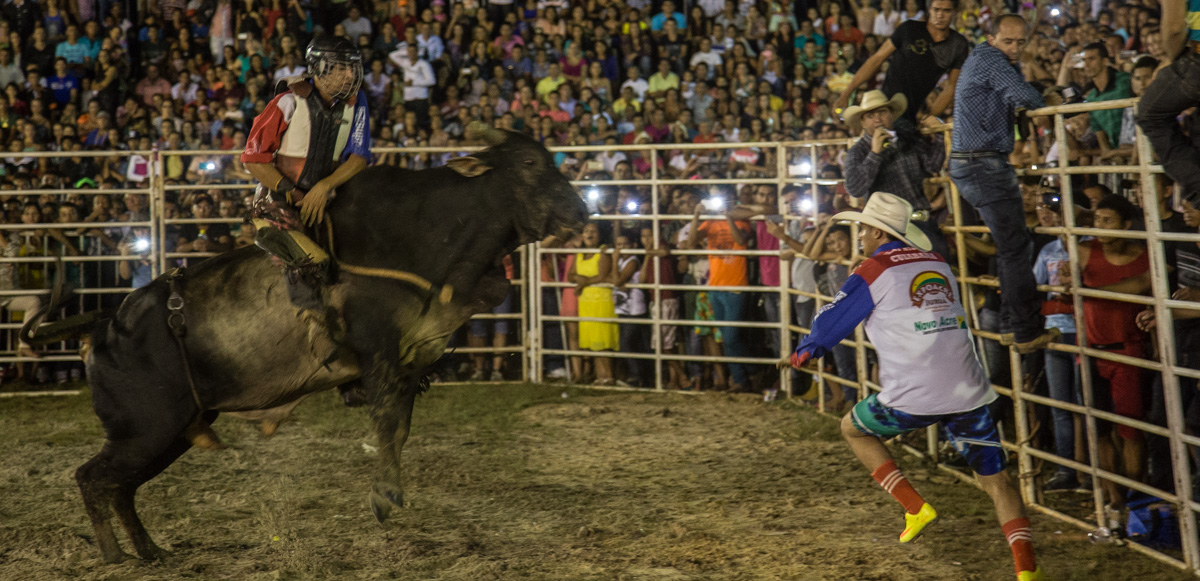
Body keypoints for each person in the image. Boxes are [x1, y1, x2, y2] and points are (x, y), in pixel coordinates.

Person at [786, 193, 1043, 581]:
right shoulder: (936, 261)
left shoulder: (872, 270)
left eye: (861, 228)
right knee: (996, 481)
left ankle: (913, 506)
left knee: (853, 429)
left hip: (914, 391)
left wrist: (803, 354)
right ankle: (1027, 571)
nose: (858, 234)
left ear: (876, 231)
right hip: (967, 387)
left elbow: (834, 320)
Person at [240, 35, 370, 359]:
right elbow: (253, 159)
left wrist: (324, 187)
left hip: (326, 196)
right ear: (321, 68)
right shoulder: (287, 101)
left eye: (353, 69)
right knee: (314, 261)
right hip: (277, 200)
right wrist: (294, 193)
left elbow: (359, 156)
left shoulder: (357, 103)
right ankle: (317, 329)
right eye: (342, 69)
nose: (350, 76)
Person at [948, 14, 1058, 354]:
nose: (1014, 47)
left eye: (1020, 42)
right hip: (982, 163)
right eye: (1008, 41)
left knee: (1011, 246)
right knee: (1014, 247)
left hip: (976, 162)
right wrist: (1052, 97)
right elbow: (1028, 98)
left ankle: (1014, 325)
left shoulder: (986, 58)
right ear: (992, 38)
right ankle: (1023, 330)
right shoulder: (991, 59)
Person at [841, 90, 949, 258]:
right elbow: (854, 188)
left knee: (937, 266)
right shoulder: (858, 151)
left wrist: (940, 134)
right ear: (863, 122)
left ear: (891, 115)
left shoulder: (908, 139)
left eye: (882, 112)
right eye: (870, 115)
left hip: (920, 222)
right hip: (885, 229)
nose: (877, 119)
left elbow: (932, 165)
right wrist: (874, 154)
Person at [832, 0, 968, 121]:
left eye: (946, 10)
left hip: (915, 115)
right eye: (936, 9)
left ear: (955, 12)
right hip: (887, 106)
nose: (940, 15)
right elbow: (876, 59)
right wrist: (846, 93)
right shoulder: (909, 29)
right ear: (929, 9)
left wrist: (931, 117)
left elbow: (951, 86)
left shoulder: (958, 44)